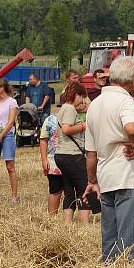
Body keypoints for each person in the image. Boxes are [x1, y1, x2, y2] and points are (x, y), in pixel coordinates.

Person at [83, 56, 134, 263]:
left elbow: (91, 153)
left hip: (106, 177)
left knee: (110, 239)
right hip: (129, 176)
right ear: (133, 79)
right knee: (130, 240)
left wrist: (92, 180)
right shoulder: (125, 101)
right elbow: (131, 128)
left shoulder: (95, 105)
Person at [55, 82, 99, 223]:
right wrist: (83, 126)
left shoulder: (63, 108)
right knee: (84, 189)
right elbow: (66, 129)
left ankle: (68, 224)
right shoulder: (69, 109)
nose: (82, 100)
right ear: (76, 95)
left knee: (69, 191)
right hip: (73, 155)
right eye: (81, 96)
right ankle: (85, 224)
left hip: (61, 155)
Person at [39, 112, 75, 221]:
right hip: (54, 163)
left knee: (71, 191)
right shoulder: (50, 120)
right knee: (55, 190)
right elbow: (43, 140)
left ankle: (68, 219)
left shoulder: (77, 118)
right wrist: (44, 159)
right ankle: (51, 218)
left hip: (73, 161)